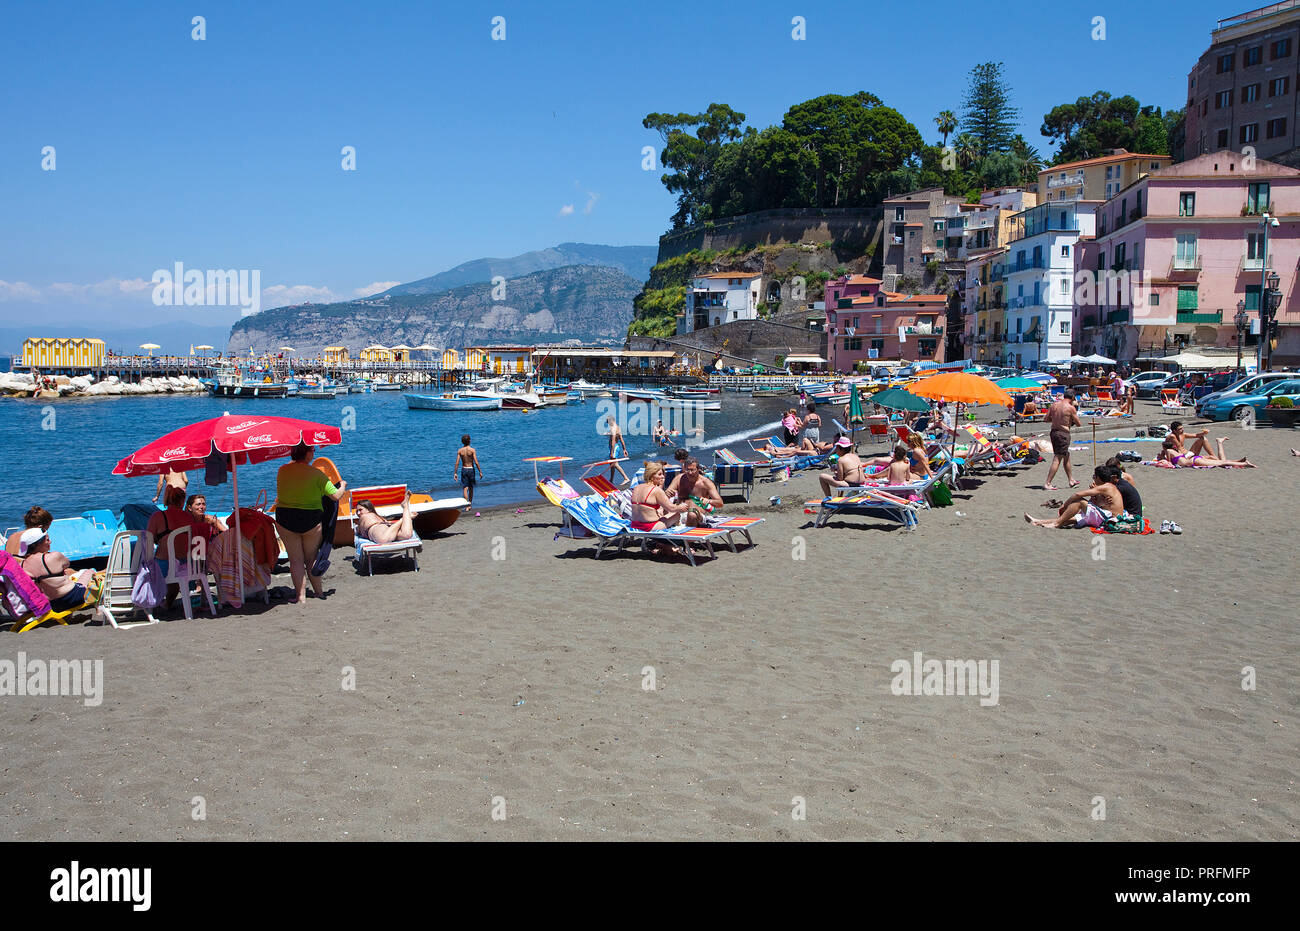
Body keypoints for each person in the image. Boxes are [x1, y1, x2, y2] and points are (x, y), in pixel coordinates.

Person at [274, 442, 347, 604]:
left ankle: (300, 596)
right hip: (310, 519)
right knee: (311, 557)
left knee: (295, 560)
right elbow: (335, 496)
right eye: (312, 450)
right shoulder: (316, 474)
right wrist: (342, 486)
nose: (313, 453)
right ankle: (319, 593)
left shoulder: (282, 471)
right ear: (306, 453)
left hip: (285, 518)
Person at [145, 486, 203, 610]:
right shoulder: (188, 517)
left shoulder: (158, 517)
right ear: (182, 501)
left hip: (165, 566)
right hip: (188, 565)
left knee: (147, 564)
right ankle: (167, 603)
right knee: (175, 575)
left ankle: (152, 601)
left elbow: (148, 540)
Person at [18, 528, 96, 611]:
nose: (50, 542)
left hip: (52, 604)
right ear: (39, 543)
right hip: (73, 597)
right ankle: (99, 611)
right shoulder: (54, 556)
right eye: (47, 540)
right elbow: (67, 563)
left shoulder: (22, 566)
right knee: (90, 572)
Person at [1024, 466, 1126, 529]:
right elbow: (1096, 505)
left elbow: (1077, 495)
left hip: (1110, 519)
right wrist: (1094, 496)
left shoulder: (1106, 487)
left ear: (1099, 478)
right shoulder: (1104, 488)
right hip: (1105, 515)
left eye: (1094, 477)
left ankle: (1056, 524)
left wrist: (1065, 505)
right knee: (1069, 519)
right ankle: (1037, 521)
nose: (1093, 479)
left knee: (1079, 502)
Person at [630, 462, 690, 555]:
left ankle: (663, 545)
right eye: (659, 474)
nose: (663, 477)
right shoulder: (656, 490)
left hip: (635, 525)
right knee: (676, 514)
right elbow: (672, 508)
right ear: (651, 475)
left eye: (663, 474)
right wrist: (681, 507)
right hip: (650, 527)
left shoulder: (637, 488)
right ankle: (676, 537)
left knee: (665, 514)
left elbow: (648, 507)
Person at [666, 458, 724, 526]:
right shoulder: (679, 479)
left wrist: (708, 501)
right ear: (684, 469)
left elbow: (720, 503)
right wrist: (667, 493)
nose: (690, 473)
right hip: (679, 512)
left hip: (696, 514)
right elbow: (667, 494)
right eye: (687, 470)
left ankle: (688, 534)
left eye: (692, 470)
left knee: (692, 514)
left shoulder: (706, 483)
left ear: (698, 469)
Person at [1044, 389, 1082, 490]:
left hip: (1054, 432)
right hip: (1063, 434)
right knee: (1057, 458)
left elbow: (1046, 419)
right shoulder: (1070, 408)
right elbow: (1078, 424)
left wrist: (1057, 419)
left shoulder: (1054, 405)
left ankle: (1071, 480)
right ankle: (1048, 483)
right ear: (1073, 397)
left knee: (1066, 455)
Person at [1158, 436, 1257, 468]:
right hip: (1194, 459)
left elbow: (1169, 463)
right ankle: (1220, 443)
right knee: (1221, 462)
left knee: (1222, 462)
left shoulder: (1168, 451)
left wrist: (1161, 457)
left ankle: (1244, 463)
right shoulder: (1175, 451)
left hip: (1194, 461)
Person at [453, 435, 483, 511]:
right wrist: (480, 471)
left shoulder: (460, 451)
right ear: (469, 441)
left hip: (464, 469)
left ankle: (466, 505)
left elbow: (457, 463)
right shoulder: (472, 450)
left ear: (462, 442)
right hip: (471, 469)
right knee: (471, 488)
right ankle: (469, 505)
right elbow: (476, 462)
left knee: (465, 488)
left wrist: (455, 473)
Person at [605, 416, 631, 486]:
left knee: (615, 464)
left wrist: (611, 452)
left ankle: (626, 478)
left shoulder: (613, 428)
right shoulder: (617, 427)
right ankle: (611, 480)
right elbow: (621, 439)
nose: (608, 424)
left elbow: (613, 440)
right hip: (616, 447)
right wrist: (624, 449)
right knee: (611, 464)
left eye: (608, 422)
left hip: (614, 447)